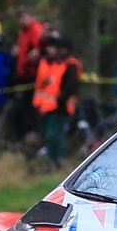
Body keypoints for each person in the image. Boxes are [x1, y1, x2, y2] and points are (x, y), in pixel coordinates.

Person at [32, 33, 82, 168]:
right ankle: (54, 160)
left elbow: (70, 86)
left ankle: (58, 160)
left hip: (62, 106)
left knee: (54, 135)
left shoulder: (70, 64)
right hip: (53, 106)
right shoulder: (60, 63)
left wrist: (60, 98)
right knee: (52, 135)